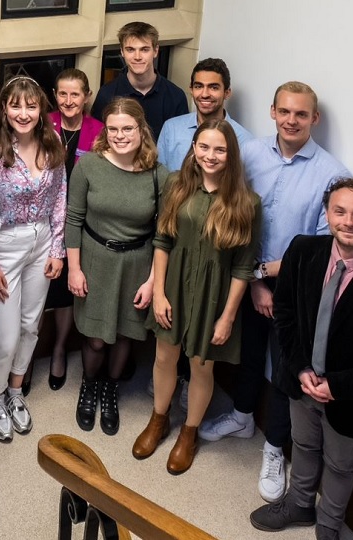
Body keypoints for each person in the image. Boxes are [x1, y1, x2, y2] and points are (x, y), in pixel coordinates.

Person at [198, 81, 351, 503]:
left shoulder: (332, 175)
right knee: (247, 355)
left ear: (314, 119)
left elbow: (323, 248)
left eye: (301, 114)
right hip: (245, 279)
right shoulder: (246, 155)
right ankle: (243, 417)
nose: (291, 120)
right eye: (284, 111)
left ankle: (272, 450)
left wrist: (263, 276)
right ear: (272, 112)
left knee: (285, 372)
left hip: (294, 289)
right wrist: (252, 282)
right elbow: (230, 212)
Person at [249, 179, 353, 540]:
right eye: (339, 211)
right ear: (327, 215)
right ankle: (299, 504)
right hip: (301, 381)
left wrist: (337, 386)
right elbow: (285, 313)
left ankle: (328, 527)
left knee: (340, 465)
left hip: (350, 398)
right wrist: (299, 368)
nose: (348, 222)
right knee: (304, 444)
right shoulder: (302, 251)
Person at [131, 120, 260, 475]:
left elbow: (243, 268)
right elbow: (162, 241)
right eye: (204, 147)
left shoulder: (247, 202)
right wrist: (158, 293)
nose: (210, 156)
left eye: (220, 149)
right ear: (194, 149)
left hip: (214, 296)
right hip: (173, 286)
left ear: (231, 154)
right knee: (164, 357)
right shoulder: (177, 185)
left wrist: (228, 317)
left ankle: (188, 433)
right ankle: (159, 420)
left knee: (202, 366)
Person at [66, 96, 167, 436]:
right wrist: (74, 269)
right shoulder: (89, 166)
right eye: (113, 129)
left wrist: (154, 281)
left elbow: (163, 235)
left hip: (137, 265)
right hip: (95, 260)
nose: (120, 135)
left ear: (142, 130)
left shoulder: (159, 176)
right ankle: (89, 385)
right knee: (95, 338)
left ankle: (110, 389)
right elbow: (73, 219)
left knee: (125, 335)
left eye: (127, 128)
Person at [0, 76, 66, 442]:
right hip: (4, 246)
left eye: (31, 105)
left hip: (41, 240)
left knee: (31, 325)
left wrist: (58, 248)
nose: (24, 113)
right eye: (16, 105)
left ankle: (15, 391)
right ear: (4, 109)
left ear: (41, 108)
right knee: (6, 333)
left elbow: (61, 196)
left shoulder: (52, 142)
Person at [42, 68, 104, 392]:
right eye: (63, 94)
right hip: (43, 222)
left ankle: (58, 350)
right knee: (38, 290)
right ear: (55, 95)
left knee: (65, 294)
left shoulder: (99, 131)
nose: (68, 100)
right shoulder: (42, 123)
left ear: (86, 97)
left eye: (75, 94)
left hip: (80, 223)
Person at [92, 21, 189, 140]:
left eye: (144, 49)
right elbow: (99, 141)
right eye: (130, 50)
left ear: (156, 51)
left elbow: (179, 144)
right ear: (122, 52)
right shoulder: (107, 94)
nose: (137, 57)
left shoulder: (175, 96)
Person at [156, 58, 253, 172]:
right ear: (191, 90)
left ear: (227, 93)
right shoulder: (171, 128)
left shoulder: (244, 141)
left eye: (213, 87)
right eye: (198, 86)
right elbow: (159, 178)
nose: (205, 94)